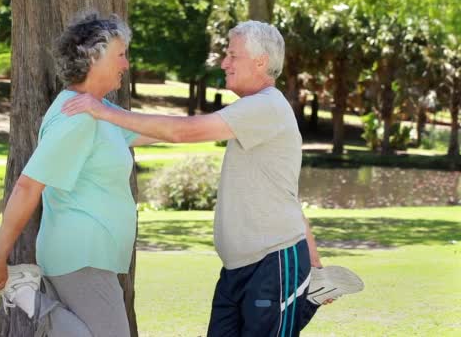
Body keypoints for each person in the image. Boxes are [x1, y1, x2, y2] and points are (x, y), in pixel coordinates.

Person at [62, 20, 363, 336]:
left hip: (272, 266)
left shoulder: (268, 107)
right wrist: (111, 127)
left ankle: (308, 296)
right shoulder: (251, 110)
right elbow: (285, 196)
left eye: (233, 55)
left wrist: (104, 112)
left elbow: (186, 132)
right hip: (238, 271)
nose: (224, 62)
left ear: (260, 62)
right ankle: (313, 290)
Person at [0, 12, 158, 337]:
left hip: (91, 255)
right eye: (121, 55)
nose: (126, 64)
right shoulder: (77, 116)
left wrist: (229, 122)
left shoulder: (99, 111)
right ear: (94, 58)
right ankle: (22, 292)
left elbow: (161, 131)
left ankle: (25, 294)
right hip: (82, 255)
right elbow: (28, 185)